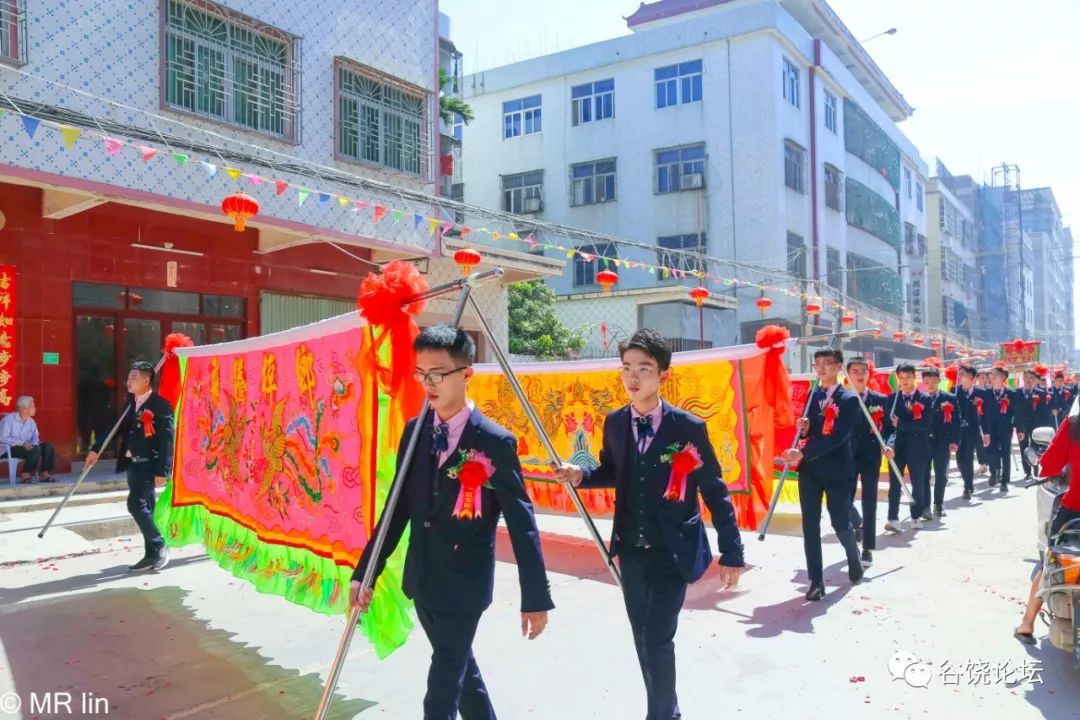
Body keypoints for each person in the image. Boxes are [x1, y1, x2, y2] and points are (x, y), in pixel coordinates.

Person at [351, 325, 553, 720]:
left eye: (439, 373)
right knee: (462, 671)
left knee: (442, 689)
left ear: (467, 373)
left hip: (466, 584)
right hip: (423, 578)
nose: (430, 383)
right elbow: (397, 509)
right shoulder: (415, 431)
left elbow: (521, 523)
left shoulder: (494, 442)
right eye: (422, 374)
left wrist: (535, 597)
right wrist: (366, 572)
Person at [554, 328, 746, 716]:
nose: (633, 378)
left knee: (658, 638)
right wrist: (580, 475)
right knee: (642, 638)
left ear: (663, 376)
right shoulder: (615, 423)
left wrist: (732, 551)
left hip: (672, 551)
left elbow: (714, 490)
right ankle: (668, 710)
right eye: (627, 368)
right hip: (631, 550)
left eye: (644, 369)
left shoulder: (687, 427)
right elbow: (612, 471)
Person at [780, 348, 863, 600]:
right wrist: (803, 430)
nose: (822, 368)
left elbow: (838, 438)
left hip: (837, 470)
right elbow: (811, 431)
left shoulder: (848, 399)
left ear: (839, 367)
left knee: (839, 522)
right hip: (811, 470)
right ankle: (816, 580)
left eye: (827, 363)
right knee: (810, 525)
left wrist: (803, 452)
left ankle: (852, 555)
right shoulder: (812, 394)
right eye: (818, 364)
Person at [85, 361, 174, 571]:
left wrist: (163, 471)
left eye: (134, 377)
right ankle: (152, 554)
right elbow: (113, 429)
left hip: (148, 464)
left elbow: (167, 441)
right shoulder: (129, 402)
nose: (129, 381)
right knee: (147, 509)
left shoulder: (159, 405)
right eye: (129, 377)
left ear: (146, 380)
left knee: (135, 505)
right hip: (132, 465)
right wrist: (95, 450)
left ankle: (159, 542)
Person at [1014, 414, 1080, 644]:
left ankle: (1027, 624)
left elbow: (1048, 465)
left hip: (1074, 509)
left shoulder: (1074, 424)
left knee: (1050, 563)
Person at [844, 357, 894, 568]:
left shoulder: (880, 400)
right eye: (855, 371)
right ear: (847, 374)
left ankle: (867, 548)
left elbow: (890, 429)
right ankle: (857, 523)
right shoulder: (842, 398)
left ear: (869, 373)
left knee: (870, 501)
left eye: (863, 370)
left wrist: (890, 444)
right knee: (843, 498)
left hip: (871, 456)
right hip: (845, 457)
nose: (860, 374)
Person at [885, 364, 932, 530]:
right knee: (895, 483)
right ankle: (893, 518)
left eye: (908, 377)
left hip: (918, 448)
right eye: (901, 377)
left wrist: (902, 424)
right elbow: (888, 427)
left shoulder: (925, 399)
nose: (904, 381)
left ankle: (916, 515)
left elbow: (925, 424)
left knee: (917, 483)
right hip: (896, 448)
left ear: (914, 378)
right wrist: (888, 445)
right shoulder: (892, 399)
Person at [922, 368, 960, 519]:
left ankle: (938, 503)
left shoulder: (949, 398)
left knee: (941, 475)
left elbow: (956, 421)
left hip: (942, 442)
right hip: (923, 442)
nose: (930, 384)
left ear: (939, 381)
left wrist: (954, 440)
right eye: (927, 382)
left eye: (933, 381)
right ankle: (925, 506)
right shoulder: (919, 397)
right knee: (924, 475)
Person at [954, 365, 990, 501]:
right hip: (958, 432)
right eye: (961, 374)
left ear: (972, 378)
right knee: (960, 461)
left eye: (964, 375)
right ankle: (967, 482)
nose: (961, 377)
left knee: (968, 458)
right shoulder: (955, 391)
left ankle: (967, 486)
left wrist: (986, 432)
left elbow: (986, 415)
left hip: (973, 431)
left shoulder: (981, 393)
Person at [0, 396, 56, 483]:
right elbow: (3, 438)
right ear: (22, 409)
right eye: (32, 406)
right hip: (8, 448)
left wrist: (32, 443)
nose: (35, 408)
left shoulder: (31, 422)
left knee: (48, 446)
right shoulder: (9, 420)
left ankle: (44, 474)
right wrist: (23, 443)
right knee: (35, 449)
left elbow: (35, 437)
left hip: (26, 447)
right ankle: (25, 474)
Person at [984, 366, 1018, 493]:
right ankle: (994, 472)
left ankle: (1004, 481)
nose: (992, 377)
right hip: (991, 429)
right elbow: (983, 413)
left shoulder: (1011, 393)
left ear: (1003, 377)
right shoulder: (986, 393)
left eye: (995, 374)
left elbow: (1015, 412)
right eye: (991, 375)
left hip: (1005, 428)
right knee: (991, 452)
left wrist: (1016, 427)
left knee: (1005, 454)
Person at [1016, 370, 1054, 481]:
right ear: (1023, 379)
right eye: (1026, 377)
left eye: (1031, 378)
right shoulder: (1017, 393)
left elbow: (1046, 409)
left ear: (1034, 380)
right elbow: (1016, 411)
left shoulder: (1041, 393)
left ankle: (1036, 467)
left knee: (1035, 447)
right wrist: (1018, 427)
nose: (1028, 380)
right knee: (1024, 447)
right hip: (1022, 425)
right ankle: (1027, 472)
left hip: (1035, 424)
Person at [974, 370, 992, 475]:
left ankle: (990, 462)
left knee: (987, 439)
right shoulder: (973, 390)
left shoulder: (988, 391)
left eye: (984, 376)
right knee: (978, 442)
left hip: (986, 418)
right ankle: (983, 464)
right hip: (975, 418)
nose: (982, 378)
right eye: (980, 376)